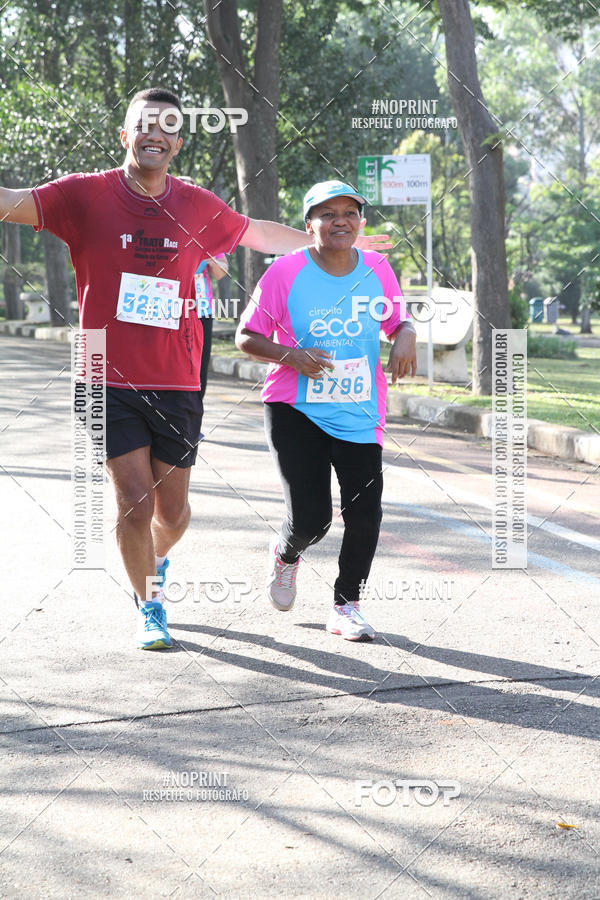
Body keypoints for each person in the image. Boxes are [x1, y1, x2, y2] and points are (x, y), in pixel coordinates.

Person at [0, 89, 392, 651]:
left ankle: (156, 560)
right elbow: (12, 200)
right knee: (132, 499)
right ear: (125, 134)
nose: (154, 135)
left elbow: (257, 232)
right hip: (102, 373)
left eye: (168, 128)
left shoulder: (196, 204)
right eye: (144, 125)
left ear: (179, 142)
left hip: (177, 377)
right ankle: (149, 604)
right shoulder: (83, 195)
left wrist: (325, 239)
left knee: (174, 513)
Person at [236, 181, 416, 641]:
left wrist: (407, 336)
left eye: (350, 212)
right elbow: (246, 336)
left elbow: (398, 320)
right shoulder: (285, 272)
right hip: (295, 407)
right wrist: (292, 356)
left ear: (360, 221)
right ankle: (286, 552)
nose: (341, 221)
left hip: (359, 409)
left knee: (365, 513)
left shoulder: (377, 267)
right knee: (312, 518)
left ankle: (346, 605)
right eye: (328, 213)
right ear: (309, 223)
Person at [177, 176, 228, 415]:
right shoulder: (162, 225)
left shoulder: (209, 231)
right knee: (173, 365)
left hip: (201, 309)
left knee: (199, 365)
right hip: (168, 309)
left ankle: (194, 418)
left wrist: (208, 257)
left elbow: (220, 273)